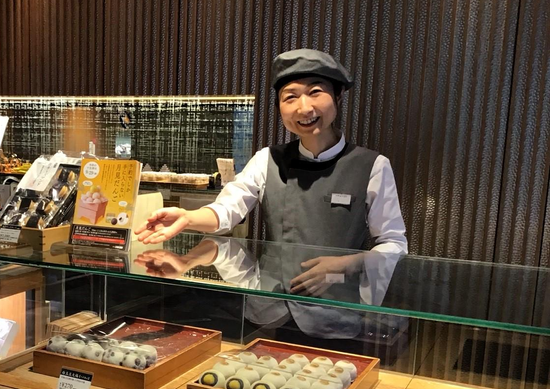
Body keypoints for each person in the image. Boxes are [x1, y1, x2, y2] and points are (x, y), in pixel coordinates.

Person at [135, 48, 407, 296]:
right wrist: (187, 217)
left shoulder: (372, 165)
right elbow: (228, 209)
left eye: (315, 92)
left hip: (336, 313)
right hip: (269, 307)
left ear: (337, 96)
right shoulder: (268, 159)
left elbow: (393, 243)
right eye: (290, 97)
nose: (304, 108)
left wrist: (348, 264)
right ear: (280, 108)